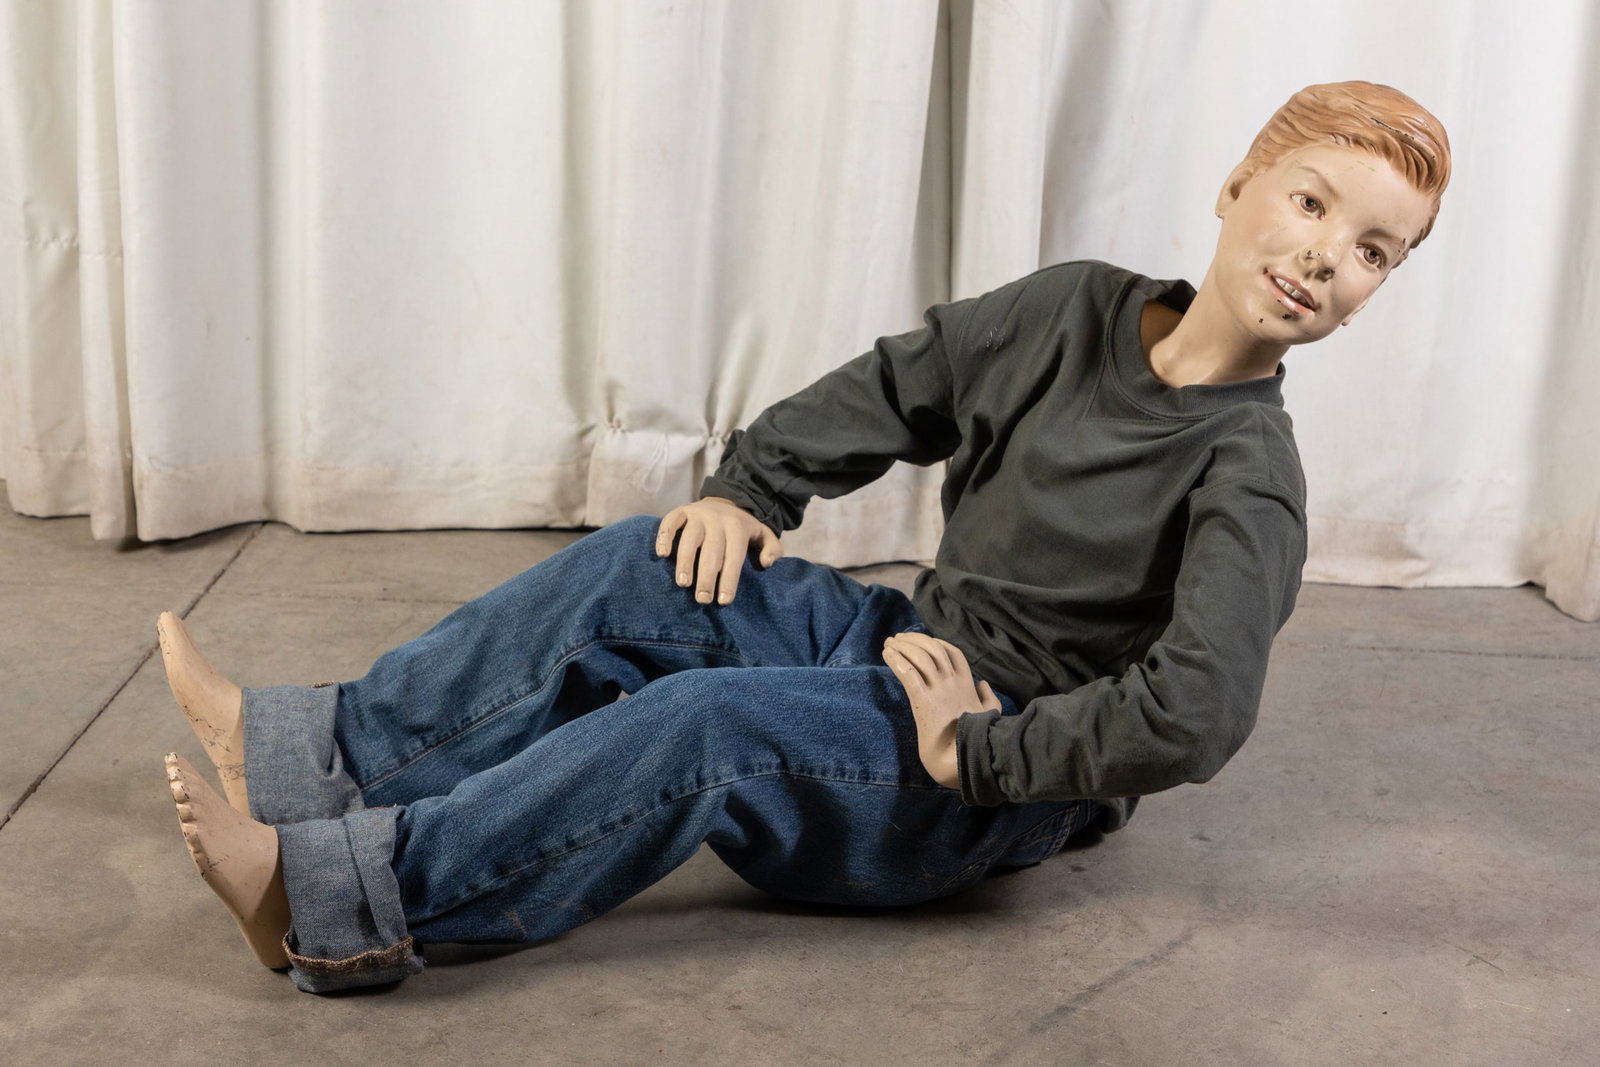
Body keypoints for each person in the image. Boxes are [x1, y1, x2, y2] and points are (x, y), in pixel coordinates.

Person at [160, 81, 1451, 994]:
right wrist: (751, 490)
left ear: (1376, 291)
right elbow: (901, 385)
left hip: (978, 775)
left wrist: (984, 752)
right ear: (1236, 187)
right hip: (908, 644)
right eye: (1310, 202)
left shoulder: (1251, 477)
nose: (1324, 257)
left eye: (1372, 252)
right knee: (648, 563)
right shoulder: (1072, 312)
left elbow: (1196, 715)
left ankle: (333, 906)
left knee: (707, 724)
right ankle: (314, 761)